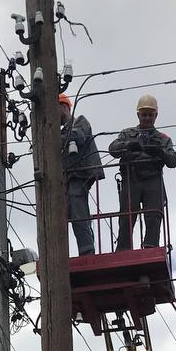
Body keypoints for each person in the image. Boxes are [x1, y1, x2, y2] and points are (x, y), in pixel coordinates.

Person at [108, 94, 176, 251]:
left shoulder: (162, 139)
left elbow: (173, 160)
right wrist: (127, 145)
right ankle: (123, 249)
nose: (147, 118)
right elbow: (112, 149)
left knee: (154, 216)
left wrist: (161, 152)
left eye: (150, 115)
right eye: (144, 115)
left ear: (156, 116)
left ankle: (150, 246)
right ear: (138, 115)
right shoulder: (127, 133)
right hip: (131, 179)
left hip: (152, 181)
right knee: (127, 217)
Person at [60, 93, 104, 257]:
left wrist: (52, 138)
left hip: (80, 175)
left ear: (64, 107)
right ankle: (58, 252)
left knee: (78, 210)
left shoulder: (80, 121)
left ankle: (86, 251)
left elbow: (78, 137)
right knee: (62, 212)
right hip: (67, 178)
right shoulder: (62, 131)